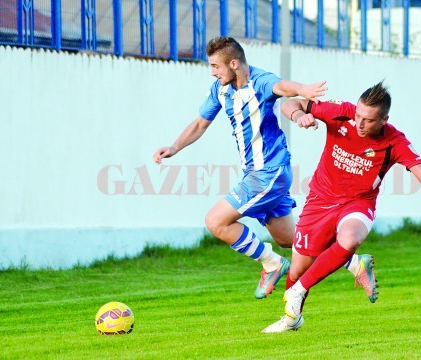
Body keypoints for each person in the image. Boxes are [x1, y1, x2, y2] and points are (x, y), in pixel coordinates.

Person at [154, 36, 372, 300]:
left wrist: (303, 89)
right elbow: (200, 124)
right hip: (258, 173)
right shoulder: (220, 90)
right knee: (292, 241)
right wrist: (175, 147)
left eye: (215, 66)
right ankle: (354, 262)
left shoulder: (260, 81)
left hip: (269, 172)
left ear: (233, 63)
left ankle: (272, 263)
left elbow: (282, 86)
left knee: (216, 221)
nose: (212, 72)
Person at [262, 81, 421, 333]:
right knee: (297, 268)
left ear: (384, 120)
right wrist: (299, 116)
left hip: (358, 203)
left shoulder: (395, 142)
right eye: (358, 116)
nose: (359, 124)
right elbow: (289, 103)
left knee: (348, 240)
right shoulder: (341, 112)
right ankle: (293, 319)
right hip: (320, 199)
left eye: (368, 120)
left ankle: (302, 287)